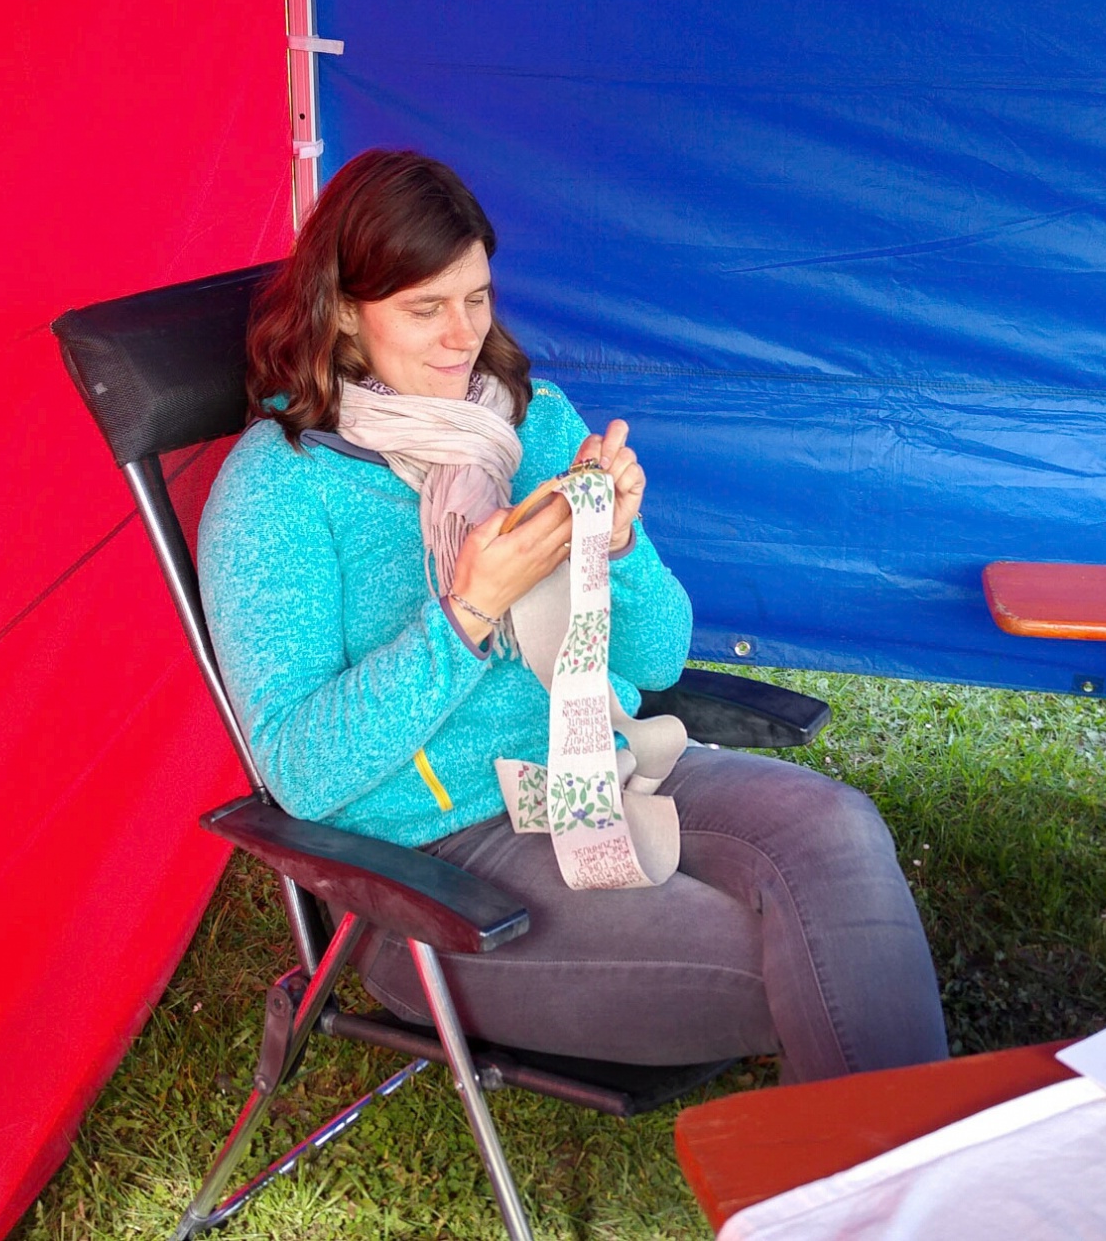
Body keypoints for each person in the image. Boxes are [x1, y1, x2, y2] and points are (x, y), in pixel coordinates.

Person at [199, 149, 948, 1083]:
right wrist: (468, 611)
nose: (459, 336)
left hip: (593, 766)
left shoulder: (527, 420)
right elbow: (304, 774)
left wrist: (618, 552)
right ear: (344, 310)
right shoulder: (279, 491)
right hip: (433, 871)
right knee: (804, 964)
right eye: (422, 309)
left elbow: (659, 651)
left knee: (834, 829)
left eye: (475, 299)